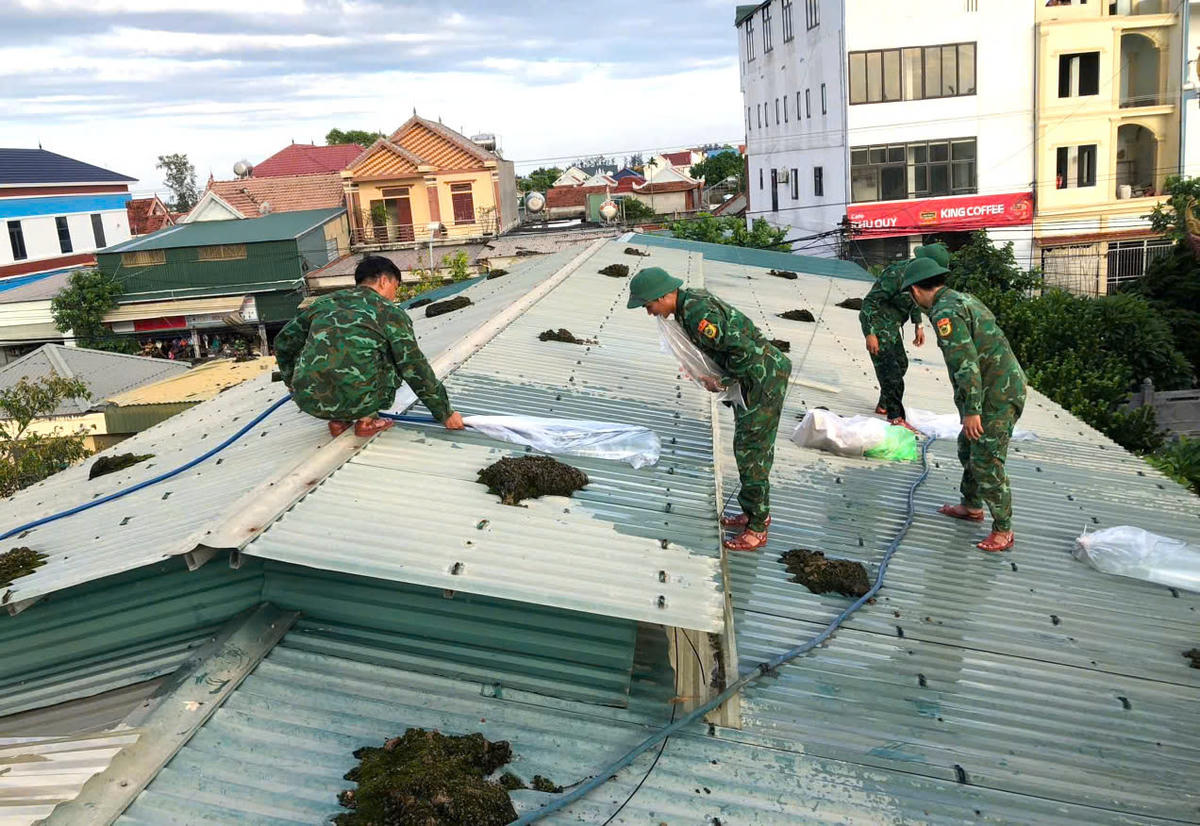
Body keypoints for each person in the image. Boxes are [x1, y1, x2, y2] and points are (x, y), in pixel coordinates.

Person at [627, 266, 791, 552]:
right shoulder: (689, 303)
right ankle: (752, 512)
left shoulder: (698, 315)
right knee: (748, 449)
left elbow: (745, 352)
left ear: (664, 295)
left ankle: (758, 526)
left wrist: (722, 381)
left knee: (752, 453)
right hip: (753, 379)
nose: (650, 312)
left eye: (649, 305)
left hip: (762, 380)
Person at [902, 257, 1027, 553]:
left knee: (985, 459)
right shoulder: (960, 298)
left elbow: (965, 364)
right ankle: (971, 507)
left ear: (917, 291)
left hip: (997, 392)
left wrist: (972, 410)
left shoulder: (945, 313)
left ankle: (1003, 530)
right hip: (994, 385)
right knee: (966, 447)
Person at [274, 255, 465, 437]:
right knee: (392, 356)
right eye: (395, 288)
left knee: (334, 351)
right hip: (361, 402)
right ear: (384, 281)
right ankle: (366, 421)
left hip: (308, 400)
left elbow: (283, 342)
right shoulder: (390, 313)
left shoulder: (324, 303)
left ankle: (338, 421)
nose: (393, 296)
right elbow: (414, 366)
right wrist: (445, 413)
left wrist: (290, 381)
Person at [859, 255, 926, 429]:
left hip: (894, 325)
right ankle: (895, 417)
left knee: (902, 364)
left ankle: (884, 404)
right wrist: (870, 333)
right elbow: (869, 303)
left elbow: (915, 300)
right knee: (892, 373)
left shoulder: (920, 275)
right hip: (878, 324)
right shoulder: (896, 274)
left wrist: (918, 325)